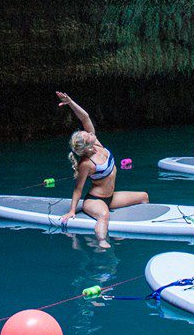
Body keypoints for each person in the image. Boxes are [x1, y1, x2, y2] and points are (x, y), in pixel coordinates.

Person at [56, 92, 148, 242]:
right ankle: (102, 245)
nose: (90, 133)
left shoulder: (96, 144)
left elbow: (84, 117)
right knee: (104, 216)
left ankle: (135, 228)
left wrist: (71, 102)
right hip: (95, 200)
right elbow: (78, 189)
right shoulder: (86, 164)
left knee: (144, 197)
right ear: (86, 146)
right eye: (87, 135)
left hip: (111, 197)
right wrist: (72, 211)